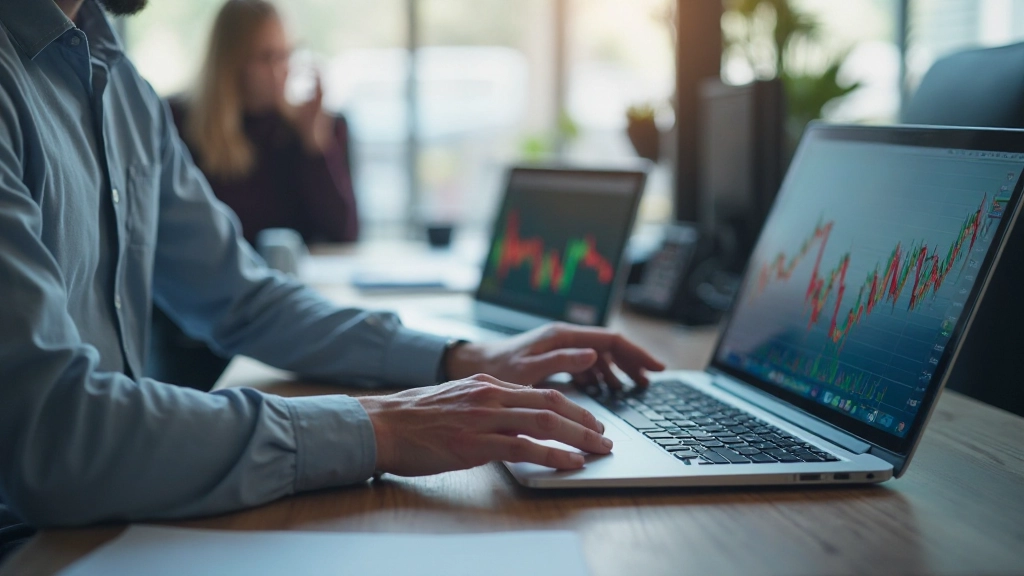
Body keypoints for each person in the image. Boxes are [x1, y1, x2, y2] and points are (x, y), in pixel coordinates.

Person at [0, 0, 665, 556]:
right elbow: (58, 436)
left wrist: (457, 358)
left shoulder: (119, 87)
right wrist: (380, 428)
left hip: (105, 516)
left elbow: (245, 296)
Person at [170, 0, 357, 246]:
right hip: (215, 280)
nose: (282, 70)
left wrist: (315, 147)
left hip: (293, 279)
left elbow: (344, 234)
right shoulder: (181, 124)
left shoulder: (316, 126)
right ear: (231, 63)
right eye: (268, 57)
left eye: (286, 55)